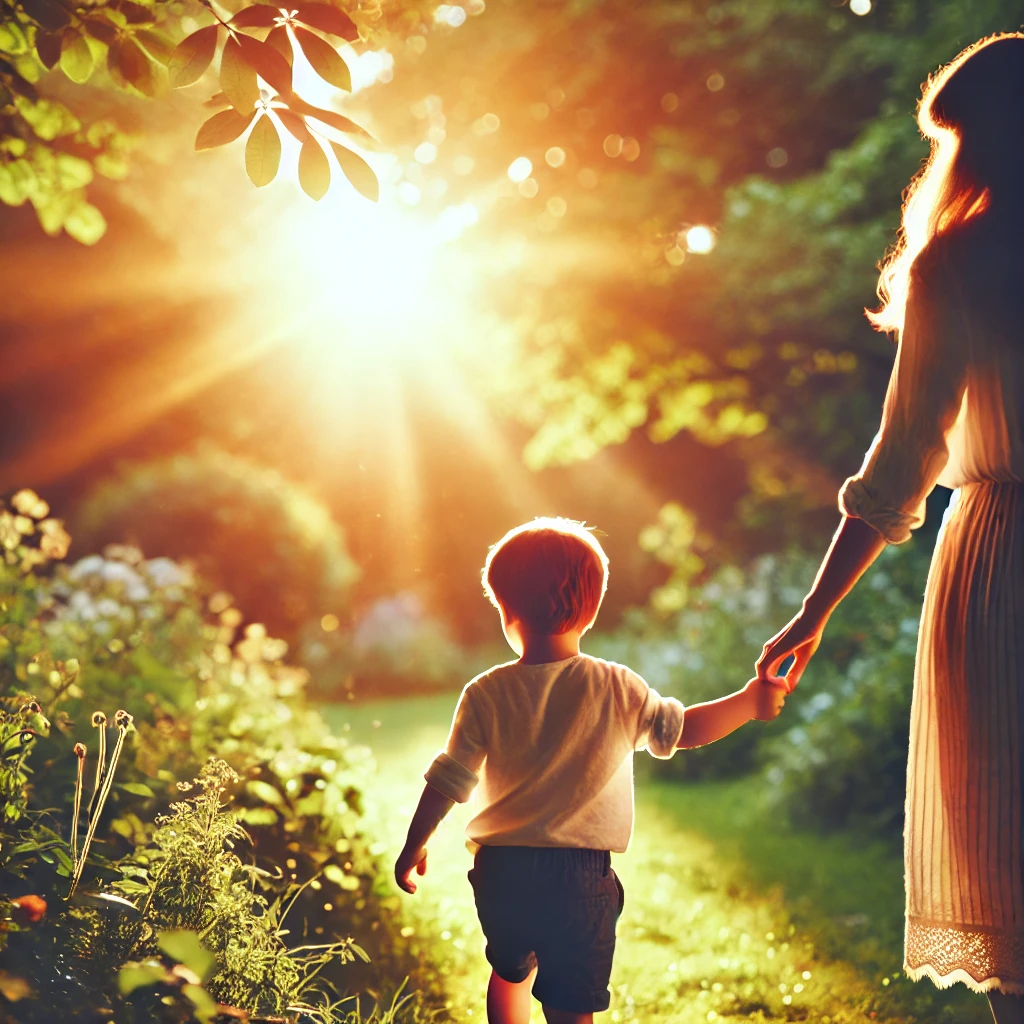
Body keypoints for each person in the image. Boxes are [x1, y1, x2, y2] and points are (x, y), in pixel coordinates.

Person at [755, 33, 1024, 1024]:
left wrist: (812, 612)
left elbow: (904, 457)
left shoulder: (954, 263)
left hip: (1004, 575)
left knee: (1008, 855)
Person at [395, 517, 787, 1024]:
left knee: (510, 972)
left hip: (503, 872)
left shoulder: (486, 692)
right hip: (579, 878)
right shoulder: (616, 686)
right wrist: (748, 702)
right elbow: (682, 729)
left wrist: (415, 843)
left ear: (507, 612)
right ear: (593, 609)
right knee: (572, 1000)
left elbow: (450, 778)